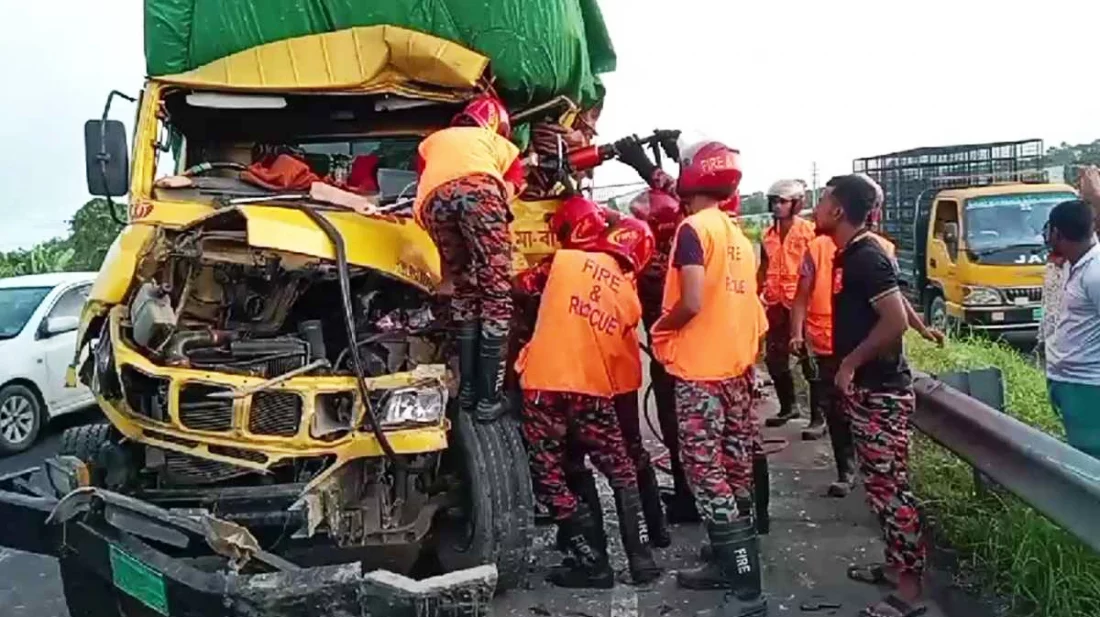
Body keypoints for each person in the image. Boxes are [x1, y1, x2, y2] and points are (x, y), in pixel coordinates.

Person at [649, 140, 768, 616]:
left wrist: (662, 326)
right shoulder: (740, 237)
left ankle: (741, 582)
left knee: (705, 472)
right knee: (735, 467)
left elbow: (693, 300)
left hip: (700, 373)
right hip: (736, 370)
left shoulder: (693, 230)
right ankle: (733, 553)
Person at [514, 217, 663, 588]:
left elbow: (521, 287)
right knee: (622, 473)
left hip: (543, 387)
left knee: (554, 475)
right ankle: (641, 561)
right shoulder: (630, 300)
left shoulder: (563, 260)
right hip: (593, 391)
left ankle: (592, 564)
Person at [813, 175, 925, 617]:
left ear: (839, 211)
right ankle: (896, 568)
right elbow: (896, 308)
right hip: (869, 391)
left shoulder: (865, 256)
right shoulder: (852, 254)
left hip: (881, 391)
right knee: (880, 488)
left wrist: (849, 364)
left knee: (890, 490)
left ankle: (910, 592)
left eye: (822, 201)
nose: (815, 208)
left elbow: (892, 319)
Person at [413, 95, 526, 423]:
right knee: (496, 294)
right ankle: (490, 398)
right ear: (495, 125)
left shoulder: (432, 142)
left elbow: (430, 180)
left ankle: (466, 393)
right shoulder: (500, 145)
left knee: (466, 289)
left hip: (431, 205)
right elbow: (509, 188)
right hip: (479, 191)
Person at [758, 180, 817, 433]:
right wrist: (755, 293)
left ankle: (818, 418)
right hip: (775, 303)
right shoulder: (768, 235)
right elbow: (763, 267)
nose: (776, 206)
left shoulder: (809, 232)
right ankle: (788, 406)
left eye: (782, 201)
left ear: (796, 203)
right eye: (774, 201)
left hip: (802, 305)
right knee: (774, 359)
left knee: (809, 362)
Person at [1044, 199, 1100, 460]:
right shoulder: (1071, 263)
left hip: (1087, 386)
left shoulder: (1095, 273)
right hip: (1068, 381)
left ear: (1056, 233)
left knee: (1089, 459)